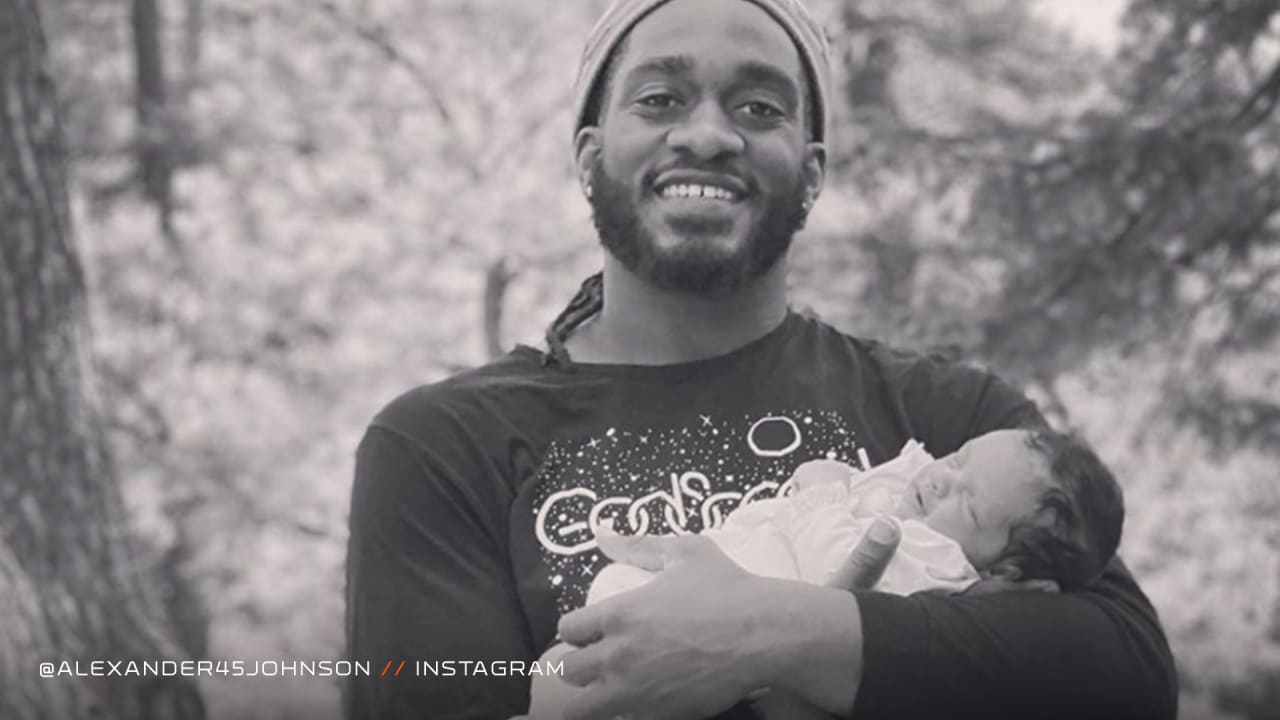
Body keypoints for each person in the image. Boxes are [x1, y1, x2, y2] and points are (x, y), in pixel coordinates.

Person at [343, 0, 1178, 718]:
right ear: (591, 154)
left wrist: (771, 634)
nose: (706, 136)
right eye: (662, 97)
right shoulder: (441, 445)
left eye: (759, 109)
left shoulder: (953, 418)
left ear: (811, 173)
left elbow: (1126, 673)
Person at [525, 428, 1126, 718]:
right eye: (957, 457)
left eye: (967, 502)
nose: (941, 477)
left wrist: (822, 493)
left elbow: (832, 570)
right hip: (645, 610)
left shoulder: (935, 566)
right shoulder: (921, 502)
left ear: (1010, 572)